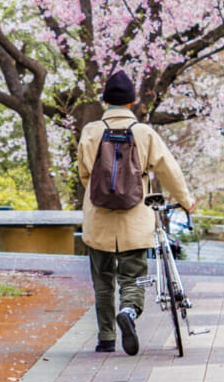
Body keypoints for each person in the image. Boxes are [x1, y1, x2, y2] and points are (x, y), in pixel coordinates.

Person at [79, 69, 194, 355]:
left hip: (99, 221)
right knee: (133, 277)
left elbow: (84, 174)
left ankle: (106, 338)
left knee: (103, 280)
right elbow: (169, 171)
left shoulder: (91, 131)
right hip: (135, 220)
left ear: (105, 101)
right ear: (131, 103)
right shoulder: (144, 133)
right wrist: (185, 200)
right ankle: (129, 312)